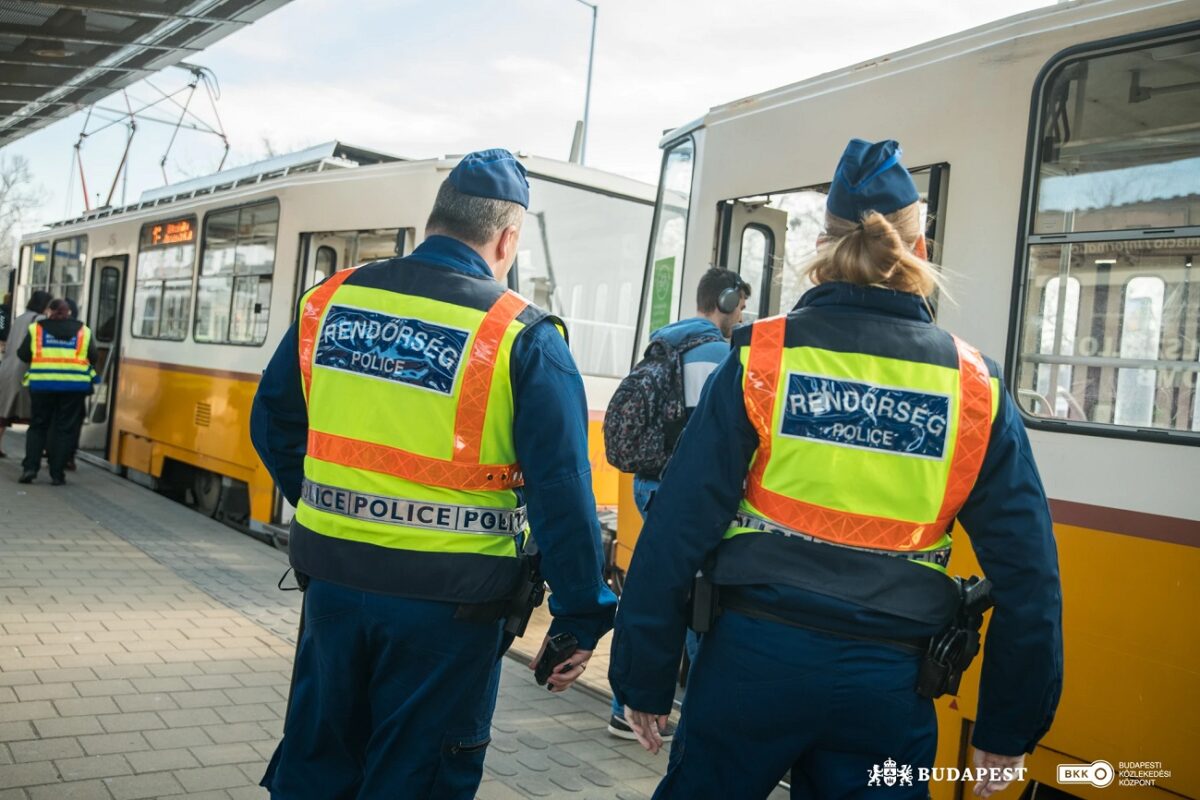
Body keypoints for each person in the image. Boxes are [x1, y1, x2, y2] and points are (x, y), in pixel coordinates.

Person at [609, 139, 1063, 800]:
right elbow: (1029, 573)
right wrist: (1008, 725)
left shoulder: (763, 357)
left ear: (823, 248)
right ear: (920, 250)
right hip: (892, 684)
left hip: (751, 666)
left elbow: (680, 523)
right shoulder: (974, 385)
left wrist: (644, 677)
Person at [251, 148, 618, 800]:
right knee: (416, 777)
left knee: (319, 760)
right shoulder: (522, 336)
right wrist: (580, 617)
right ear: (507, 237)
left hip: (333, 587)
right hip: (451, 612)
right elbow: (562, 493)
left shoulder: (330, 301)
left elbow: (274, 423)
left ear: (436, 220)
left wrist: (327, 510)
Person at [607, 267, 750, 741]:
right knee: (695, 601)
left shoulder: (669, 344)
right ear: (726, 302)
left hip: (647, 483)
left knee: (655, 585)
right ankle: (693, 715)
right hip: (677, 488)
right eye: (742, 305)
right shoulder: (715, 354)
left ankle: (624, 703)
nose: (744, 314)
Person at [17, 298, 99, 485]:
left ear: (49, 312)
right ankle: (57, 473)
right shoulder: (83, 331)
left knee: (38, 426)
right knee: (64, 429)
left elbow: (22, 354)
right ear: (69, 312)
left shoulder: (36, 329)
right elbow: (93, 356)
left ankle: (30, 468)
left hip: (42, 385)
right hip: (73, 387)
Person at [0, 290, 51, 457]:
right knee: (36, 415)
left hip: (6, 369)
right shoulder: (40, 320)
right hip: (24, 371)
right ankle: (42, 448)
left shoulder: (20, 318)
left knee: (4, 413)